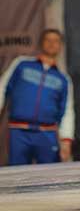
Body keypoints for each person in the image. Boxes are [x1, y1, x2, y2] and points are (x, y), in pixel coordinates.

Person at [0, 28, 74, 165]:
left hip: (47, 134)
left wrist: (66, 140)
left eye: (56, 41)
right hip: (19, 132)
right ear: (41, 43)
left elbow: (67, 110)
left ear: (60, 46)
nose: (52, 43)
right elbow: (2, 88)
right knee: (18, 176)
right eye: (48, 40)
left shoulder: (64, 79)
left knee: (50, 178)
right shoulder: (21, 64)